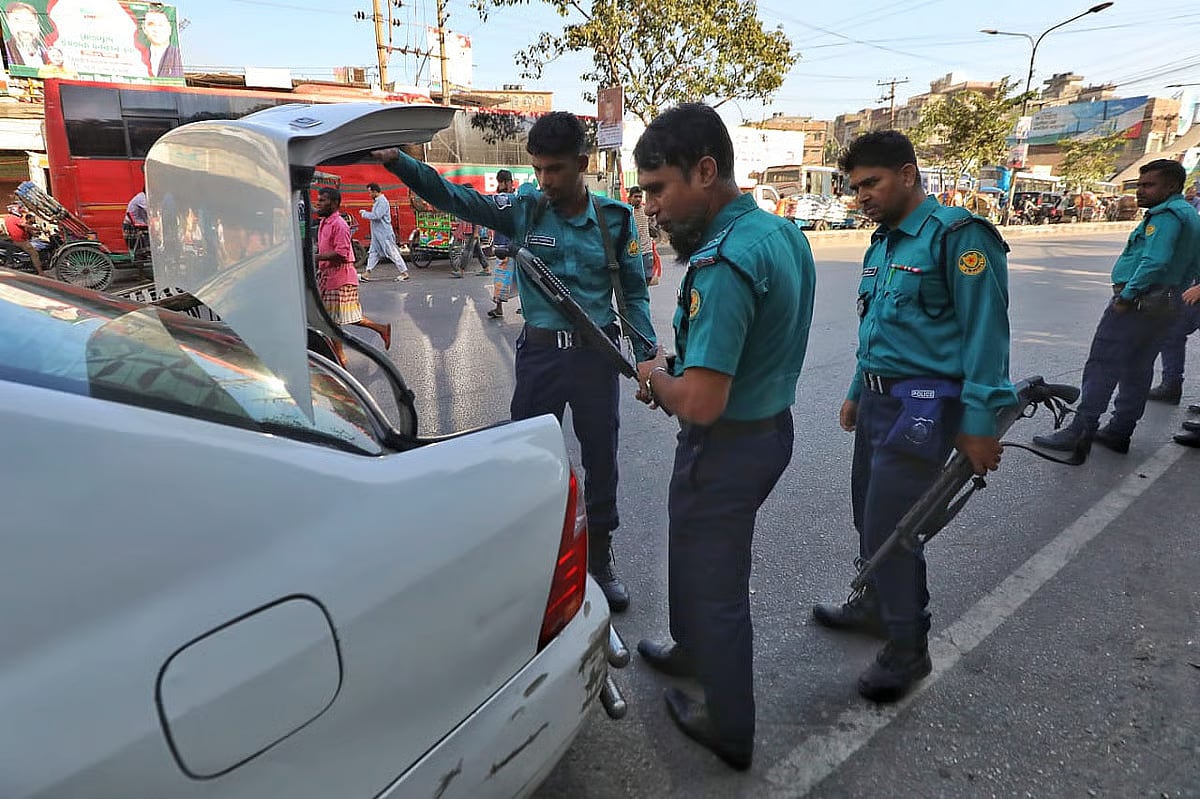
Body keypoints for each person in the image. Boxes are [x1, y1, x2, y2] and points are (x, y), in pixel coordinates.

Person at [372, 113, 656, 612]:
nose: (545, 180)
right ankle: (533, 555)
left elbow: (633, 295)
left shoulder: (616, 221)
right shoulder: (524, 210)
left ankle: (601, 558)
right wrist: (402, 164)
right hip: (541, 357)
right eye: (538, 169)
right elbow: (460, 200)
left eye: (555, 170)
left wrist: (648, 357)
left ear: (582, 166)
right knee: (527, 457)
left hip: (595, 358)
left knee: (602, 460)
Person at [631, 104, 815, 771]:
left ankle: (730, 723)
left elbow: (703, 402)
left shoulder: (726, 261)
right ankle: (690, 647)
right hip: (765, 430)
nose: (650, 207)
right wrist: (679, 374)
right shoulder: (779, 234)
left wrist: (658, 378)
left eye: (658, 189)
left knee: (716, 584)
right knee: (690, 544)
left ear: (705, 171)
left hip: (728, 443)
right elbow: (754, 349)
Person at [813, 130, 1015, 704]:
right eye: (854, 188)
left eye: (870, 183)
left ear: (907, 173)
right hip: (880, 399)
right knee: (867, 510)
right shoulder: (883, 244)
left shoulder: (959, 237)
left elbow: (986, 336)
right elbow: (875, 331)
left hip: (926, 403)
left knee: (893, 526)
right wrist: (856, 392)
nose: (861, 197)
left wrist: (980, 421)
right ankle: (878, 604)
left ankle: (909, 644)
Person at [1033, 160, 1200, 457]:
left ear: (1172, 186)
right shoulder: (1189, 214)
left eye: (1149, 185)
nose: (1140, 191)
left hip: (1139, 303)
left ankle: (1080, 430)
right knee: (1138, 367)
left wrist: (1127, 295)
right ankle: (1120, 430)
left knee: (1103, 364)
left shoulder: (1164, 217)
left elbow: (1155, 260)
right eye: (1139, 184)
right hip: (1167, 305)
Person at [314, 186, 391, 365]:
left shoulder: (339, 224)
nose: (318, 203)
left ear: (334, 204)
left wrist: (315, 256)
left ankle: (340, 357)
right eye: (319, 199)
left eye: (322, 200)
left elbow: (341, 253)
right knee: (339, 318)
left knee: (334, 320)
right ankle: (380, 330)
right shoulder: (325, 222)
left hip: (340, 279)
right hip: (329, 278)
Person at [359, 182, 410, 282]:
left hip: (384, 234)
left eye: (370, 193)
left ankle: (404, 273)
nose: (370, 195)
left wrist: (364, 213)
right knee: (373, 253)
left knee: (392, 253)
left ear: (374, 192)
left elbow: (377, 215)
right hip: (378, 234)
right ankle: (367, 273)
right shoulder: (379, 201)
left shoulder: (382, 201)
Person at [487, 169, 516, 318]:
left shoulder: (513, 198)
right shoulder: (500, 198)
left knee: (510, 277)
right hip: (505, 245)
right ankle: (498, 307)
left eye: (504, 181)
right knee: (501, 276)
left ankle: (500, 307)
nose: (503, 184)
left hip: (511, 245)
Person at [627, 185, 659, 284]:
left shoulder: (647, 211)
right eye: (635, 196)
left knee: (647, 277)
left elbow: (654, 228)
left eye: (640, 197)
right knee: (633, 279)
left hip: (646, 250)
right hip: (632, 251)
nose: (638, 199)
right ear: (630, 198)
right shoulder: (627, 212)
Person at [140, 9, 182, 78]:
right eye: (151, 24)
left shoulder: (175, 55)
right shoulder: (137, 55)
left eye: (161, 25)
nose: (156, 29)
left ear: (170, 29)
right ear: (144, 28)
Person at [1, 207, 43, 276]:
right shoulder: (15, 218)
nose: (20, 213)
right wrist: (37, 228)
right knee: (34, 253)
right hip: (20, 241)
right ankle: (41, 272)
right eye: (20, 211)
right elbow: (24, 225)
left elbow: (24, 228)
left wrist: (34, 234)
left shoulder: (7, 218)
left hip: (16, 240)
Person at [4, 2, 47, 67]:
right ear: (9, 25)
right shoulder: (4, 51)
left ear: (37, 26)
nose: (24, 28)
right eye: (17, 22)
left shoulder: (48, 55)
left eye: (29, 21)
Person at [124, 188, 150, 261]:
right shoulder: (142, 198)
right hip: (134, 223)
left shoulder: (143, 196)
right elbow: (150, 210)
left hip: (137, 221)